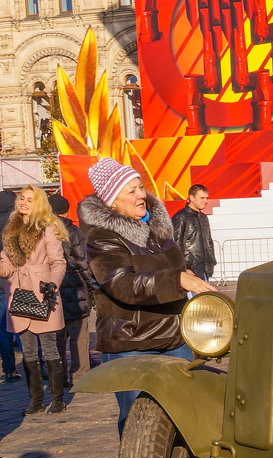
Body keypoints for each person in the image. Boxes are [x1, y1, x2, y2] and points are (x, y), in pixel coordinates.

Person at [80, 158, 216, 433]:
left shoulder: (157, 229)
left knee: (185, 418)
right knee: (138, 427)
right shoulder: (102, 237)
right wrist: (176, 279)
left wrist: (184, 272)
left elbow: (170, 267)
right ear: (111, 202)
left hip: (175, 339)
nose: (141, 195)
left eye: (141, 187)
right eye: (131, 191)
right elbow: (122, 284)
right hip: (132, 345)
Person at [0, 186, 67, 414]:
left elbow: (59, 262)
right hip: (18, 296)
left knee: (50, 349)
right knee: (28, 352)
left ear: (38, 203)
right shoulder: (10, 230)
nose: (23, 203)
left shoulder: (47, 229)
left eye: (29, 199)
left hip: (42, 293)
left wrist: (53, 283)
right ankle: (35, 400)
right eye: (21, 198)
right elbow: (7, 266)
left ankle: (57, 399)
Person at [49, 194, 92, 386]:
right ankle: (80, 377)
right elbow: (83, 263)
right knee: (80, 336)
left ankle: (59, 376)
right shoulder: (73, 231)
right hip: (75, 289)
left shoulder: (41, 231)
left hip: (52, 289)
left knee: (56, 337)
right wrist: (92, 289)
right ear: (67, 211)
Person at [170, 184, 217, 282]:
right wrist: (184, 268)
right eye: (202, 198)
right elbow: (175, 245)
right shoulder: (181, 217)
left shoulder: (204, 218)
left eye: (207, 198)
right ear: (191, 198)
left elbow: (209, 242)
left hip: (204, 270)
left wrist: (211, 262)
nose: (205, 201)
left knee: (204, 297)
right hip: (189, 271)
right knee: (194, 298)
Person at [0, 189, 18, 383]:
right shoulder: (16, 223)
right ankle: (38, 365)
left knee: (3, 328)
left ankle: (9, 369)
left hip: (0, 281)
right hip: (16, 280)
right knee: (23, 324)